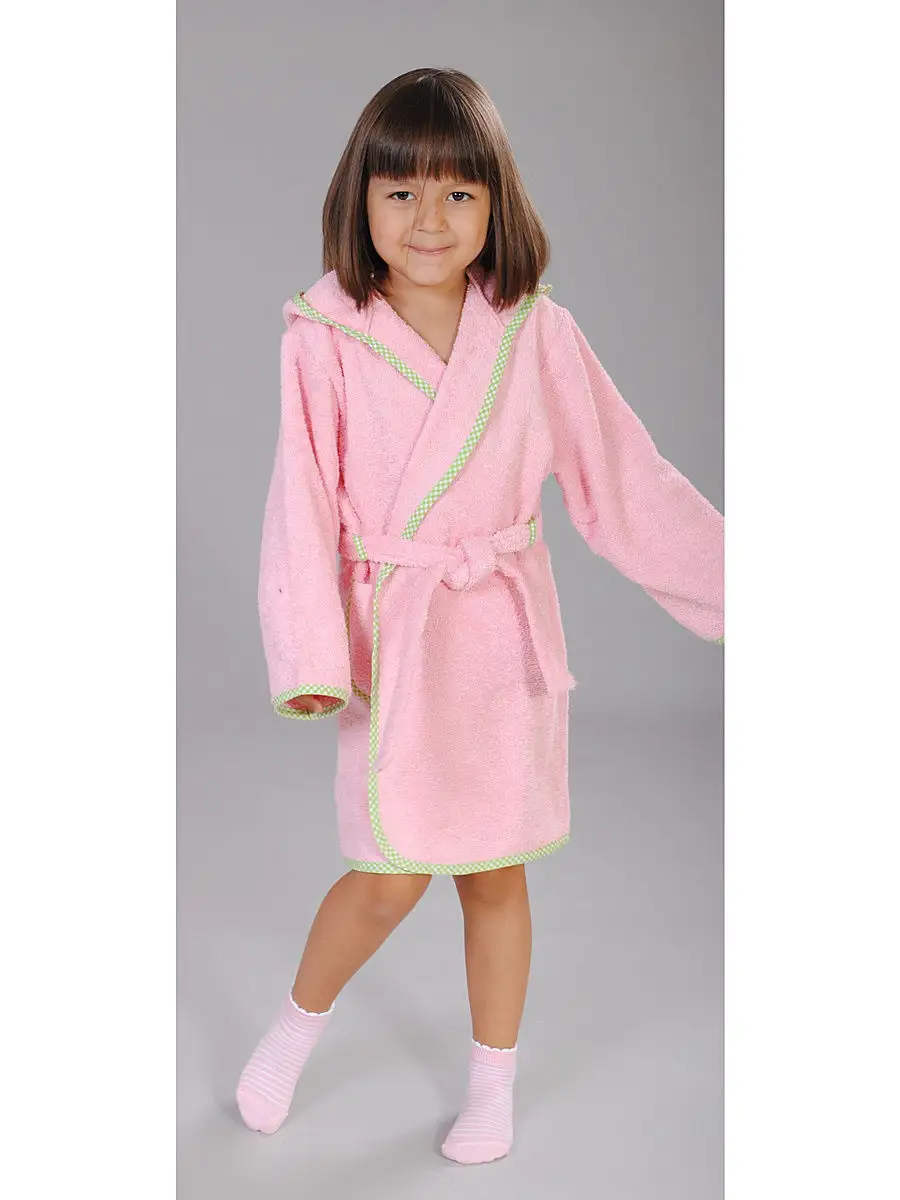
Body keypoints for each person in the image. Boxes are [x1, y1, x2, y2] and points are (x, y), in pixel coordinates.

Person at [236, 67, 724, 1166]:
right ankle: (291, 1033)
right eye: (402, 191)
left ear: (498, 202)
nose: (430, 219)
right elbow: (300, 498)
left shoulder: (534, 331)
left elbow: (622, 481)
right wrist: (311, 653)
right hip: (397, 640)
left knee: (496, 874)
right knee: (387, 875)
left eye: (459, 193)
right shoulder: (324, 333)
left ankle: (491, 1086)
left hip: (500, 640)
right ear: (360, 199)